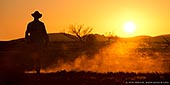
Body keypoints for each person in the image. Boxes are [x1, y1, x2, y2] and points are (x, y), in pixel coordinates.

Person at [25, 11, 49, 75]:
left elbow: (27, 33)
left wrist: (46, 41)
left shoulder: (32, 24)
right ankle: (36, 68)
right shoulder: (38, 24)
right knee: (35, 56)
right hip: (35, 42)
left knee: (37, 56)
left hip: (36, 42)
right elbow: (27, 33)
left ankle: (37, 69)